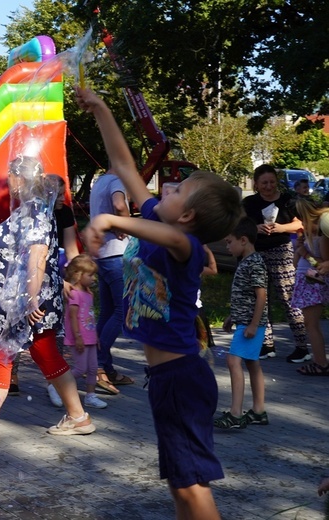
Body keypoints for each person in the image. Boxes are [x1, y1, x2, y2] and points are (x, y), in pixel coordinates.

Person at [79, 87, 242, 519]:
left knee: (191, 487)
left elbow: (169, 239)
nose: (167, 187)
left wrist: (114, 219)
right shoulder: (158, 218)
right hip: (168, 378)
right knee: (180, 483)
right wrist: (101, 109)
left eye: (178, 190)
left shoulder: (183, 244)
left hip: (182, 379)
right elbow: (124, 166)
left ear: (187, 215)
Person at [0, 155, 95, 444]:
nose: (7, 180)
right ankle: (78, 417)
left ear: (20, 178)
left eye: (10, 175)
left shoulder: (34, 212)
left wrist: (30, 300)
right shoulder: (31, 209)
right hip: (23, 297)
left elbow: (38, 254)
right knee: (45, 353)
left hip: (22, 300)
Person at [9, 173, 80, 406]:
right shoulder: (33, 212)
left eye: (64, 194)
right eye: (58, 195)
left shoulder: (64, 213)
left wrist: (74, 278)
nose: (62, 199)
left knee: (50, 333)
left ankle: (54, 383)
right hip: (30, 275)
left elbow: (71, 250)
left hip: (52, 273)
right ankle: (12, 375)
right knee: (19, 327)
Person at [242, 164, 309, 363]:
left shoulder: (288, 200)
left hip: (282, 253)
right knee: (260, 300)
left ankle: (302, 346)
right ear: (256, 184)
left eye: (272, 182)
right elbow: (241, 226)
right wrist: (256, 228)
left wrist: (281, 228)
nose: (268, 186)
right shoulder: (250, 203)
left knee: (289, 299)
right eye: (264, 183)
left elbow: (301, 223)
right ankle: (267, 344)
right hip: (258, 253)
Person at [215, 217, 269, 429]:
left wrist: (253, 325)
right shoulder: (247, 262)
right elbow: (244, 296)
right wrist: (232, 316)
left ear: (243, 240)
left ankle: (236, 414)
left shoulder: (254, 263)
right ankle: (258, 410)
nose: (227, 246)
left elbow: (261, 296)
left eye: (229, 242)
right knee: (252, 363)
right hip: (245, 321)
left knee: (233, 361)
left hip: (251, 325)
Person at [89, 167, 133, 395]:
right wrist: (125, 224)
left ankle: (105, 367)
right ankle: (97, 365)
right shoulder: (117, 179)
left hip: (103, 255)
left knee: (106, 313)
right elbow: (118, 204)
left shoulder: (99, 182)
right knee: (121, 311)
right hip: (116, 254)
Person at [63, 254, 107, 409]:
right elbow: (73, 317)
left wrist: (96, 337)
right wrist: (78, 337)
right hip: (79, 338)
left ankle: (90, 396)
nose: (93, 278)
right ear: (78, 275)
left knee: (93, 368)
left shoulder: (88, 294)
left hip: (90, 338)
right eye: (90, 275)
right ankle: (57, 385)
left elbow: (90, 317)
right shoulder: (74, 294)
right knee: (81, 368)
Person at [291, 198, 329, 375]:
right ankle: (319, 360)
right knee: (309, 323)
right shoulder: (306, 238)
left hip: (313, 284)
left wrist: (305, 252)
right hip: (304, 282)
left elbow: (322, 264)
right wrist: (299, 250)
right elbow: (295, 262)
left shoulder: (321, 238)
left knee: (311, 324)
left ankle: (321, 363)